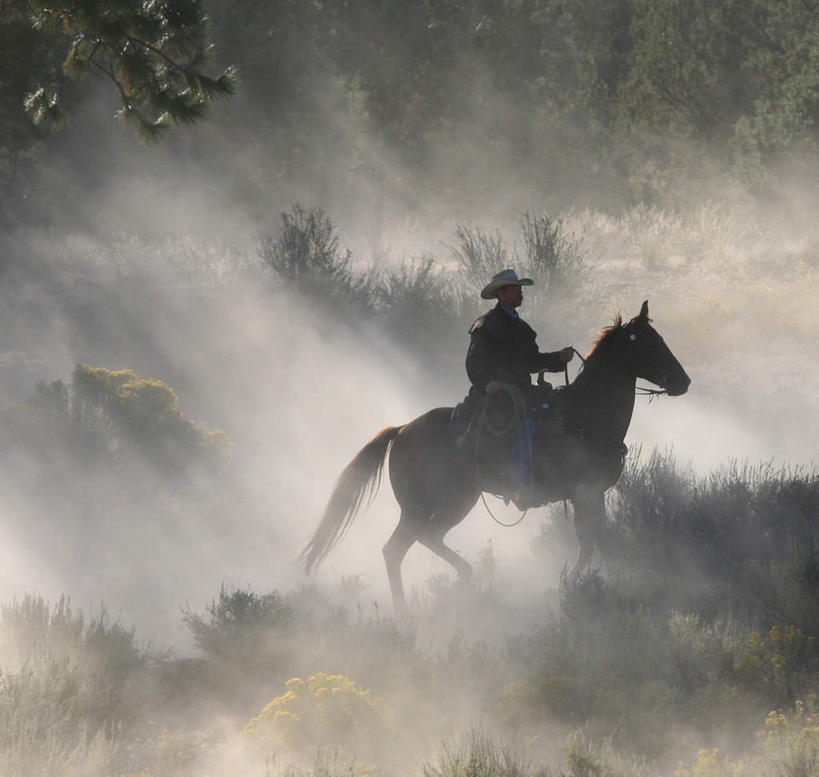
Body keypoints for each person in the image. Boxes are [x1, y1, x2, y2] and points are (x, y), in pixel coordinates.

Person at [453, 268, 574, 505]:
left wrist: (558, 358)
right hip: (497, 396)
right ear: (501, 293)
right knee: (526, 426)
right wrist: (488, 384)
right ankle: (518, 485)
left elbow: (532, 361)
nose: (520, 293)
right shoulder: (486, 325)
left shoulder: (522, 328)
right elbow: (473, 363)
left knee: (554, 414)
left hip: (520, 393)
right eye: (515, 289)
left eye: (520, 289)